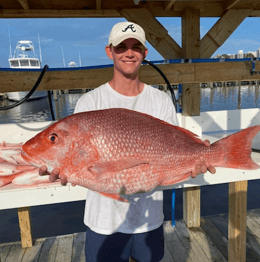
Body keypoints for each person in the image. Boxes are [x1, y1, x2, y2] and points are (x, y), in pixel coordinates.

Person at [40, 21, 216, 262]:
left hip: (149, 221)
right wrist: (62, 170)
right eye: (121, 46)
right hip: (103, 224)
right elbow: (83, 168)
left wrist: (197, 160)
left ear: (145, 53)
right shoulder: (89, 103)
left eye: (136, 46)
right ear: (109, 51)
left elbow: (175, 149)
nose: (129, 52)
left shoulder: (161, 101)